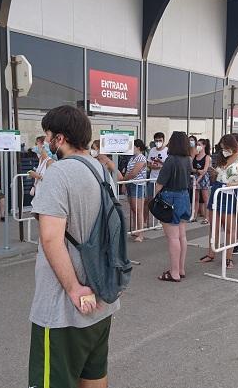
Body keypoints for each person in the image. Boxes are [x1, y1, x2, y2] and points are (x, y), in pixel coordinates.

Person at [28, 105, 119, 388]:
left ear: (60, 138)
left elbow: (51, 238)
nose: (46, 143)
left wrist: (73, 289)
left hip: (64, 309)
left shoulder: (59, 174)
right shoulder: (102, 171)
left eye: (48, 137)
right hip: (103, 296)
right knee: (93, 377)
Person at [200, 134, 238, 268]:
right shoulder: (222, 157)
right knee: (214, 226)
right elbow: (219, 174)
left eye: (226, 148)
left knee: (230, 228)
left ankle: (229, 258)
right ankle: (211, 253)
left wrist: (236, 184)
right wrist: (214, 174)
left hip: (231, 193)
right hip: (217, 191)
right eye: (222, 148)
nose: (224, 150)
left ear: (232, 146)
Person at [155, 131, 192, 282]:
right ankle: (180, 269)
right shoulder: (187, 159)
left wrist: (156, 198)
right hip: (184, 197)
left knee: (172, 238)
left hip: (170, 197)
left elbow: (159, 183)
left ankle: (174, 272)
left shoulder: (171, 160)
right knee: (181, 236)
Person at [123, 139, 148, 242]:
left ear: (138, 147)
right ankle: (136, 229)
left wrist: (122, 180)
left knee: (138, 209)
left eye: (132, 146)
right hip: (131, 184)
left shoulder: (141, 158)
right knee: (134, 209)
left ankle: (141, 233)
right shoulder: (133, 158)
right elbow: (129, 171)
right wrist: (125, 183)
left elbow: (134, 173)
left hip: (138, 185)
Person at [191, 138, 211, 224]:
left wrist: (198, 179)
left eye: (200, 144)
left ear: (204, 146)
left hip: (203, 178)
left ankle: (207, 217)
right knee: (195, 198)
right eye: (197, 144)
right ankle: (194, 215)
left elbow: (205, 170)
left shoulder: (207, 157)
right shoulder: (195, 156)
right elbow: (191, 167)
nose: (198, 146)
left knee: (205, 198)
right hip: (195, 177)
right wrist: (197, 171)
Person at [147, 132, 168, 199]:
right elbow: (149, 163)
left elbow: (169, 165)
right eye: (156, 140)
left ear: (163, 141)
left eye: (160, 140)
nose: (158, 142)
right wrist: (152, 166)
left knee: (162, 199)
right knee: (150, 199)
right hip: (152, 179)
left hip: (163, 180)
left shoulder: (167, 151)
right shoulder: (152, 150)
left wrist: (161, 165)